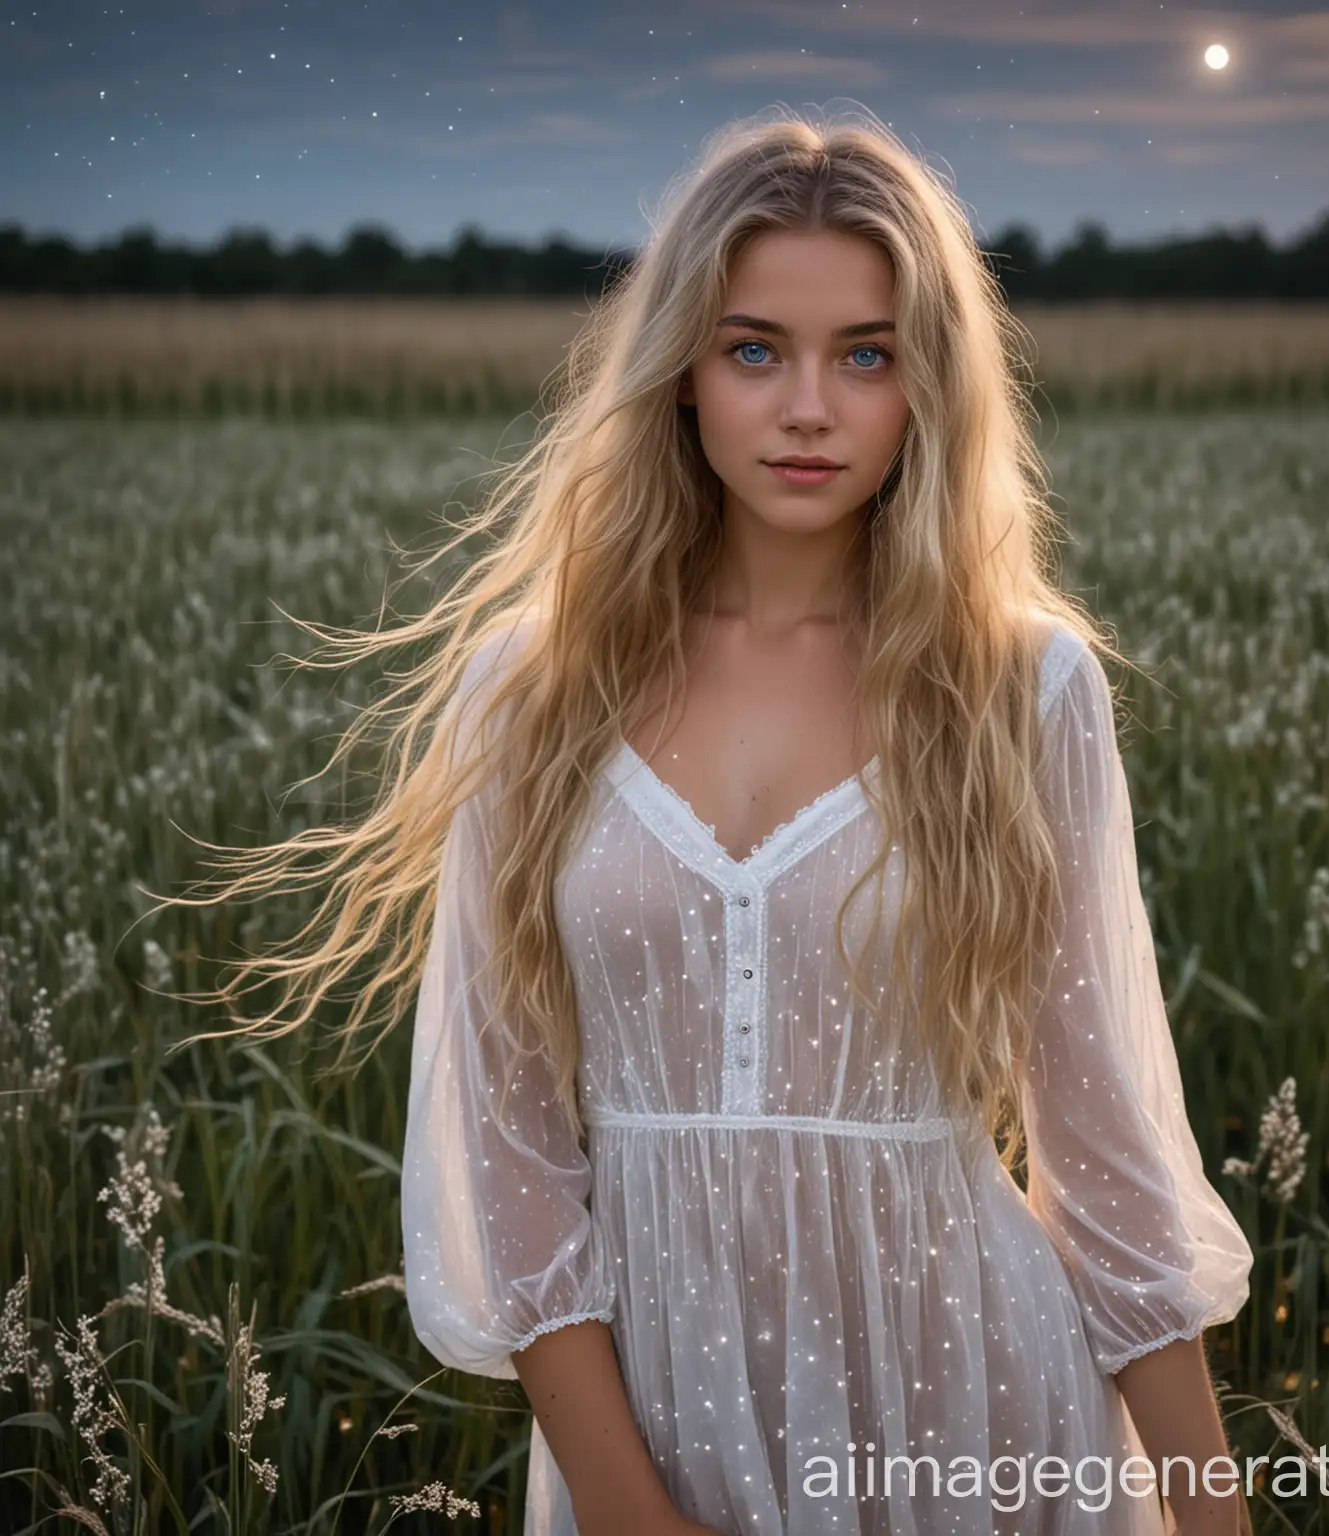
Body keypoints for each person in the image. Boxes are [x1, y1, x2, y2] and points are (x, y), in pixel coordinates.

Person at [176, 107, 1254, 1535]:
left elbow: (1103, 1161)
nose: (809, 406)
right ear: (681, 370)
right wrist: (630, 1510)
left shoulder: (1021, 686)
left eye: (866, 354)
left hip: (978, 1414)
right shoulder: (534, 688)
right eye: (756, 349)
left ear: (928, 386)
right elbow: (512, 1162)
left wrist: (1210, 1509)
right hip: (651, 1435)